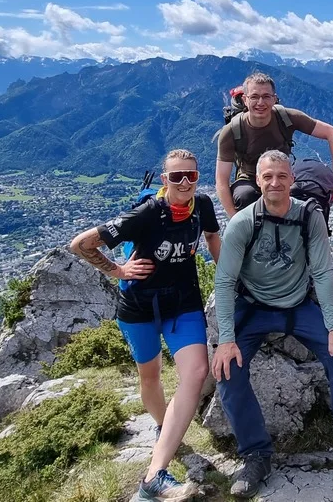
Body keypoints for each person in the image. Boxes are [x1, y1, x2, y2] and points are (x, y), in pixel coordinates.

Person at [211, 150, 333, 498]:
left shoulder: (309, 217)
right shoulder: (243, 223)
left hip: (298, 306)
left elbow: (321, 271)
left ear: (291, 180)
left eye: (281, 176)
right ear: (257, 181)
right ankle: (257, 455)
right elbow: (225, 282)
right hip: (255, 308)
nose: (275, 182)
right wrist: (226, 339)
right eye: (267, 176)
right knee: (228, 371)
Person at [69, 149, 220, 502]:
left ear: (198, 178)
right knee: (149, 376)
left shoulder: (203, 206)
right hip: (138, 307)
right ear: (164, 180)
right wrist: (118, 271)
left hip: (183, 302)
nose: (185, 182)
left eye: (191, 176)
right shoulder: (147, 212)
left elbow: (212, 236)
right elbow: (80, 244)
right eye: (176, 176)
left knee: (196, 373)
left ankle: (154, 476)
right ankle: (166, 431)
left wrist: (224, 267)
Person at [215, 72, 333, 218]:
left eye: (266, 96)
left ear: (274, 99)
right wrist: (234, 218)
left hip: (283, 174)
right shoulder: (232, 131)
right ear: (245, 99)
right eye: (254, 97)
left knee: (305, 193)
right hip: (250, 178)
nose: (260, 102)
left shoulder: (286, 117)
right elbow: (221, 180)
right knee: (245, 196)